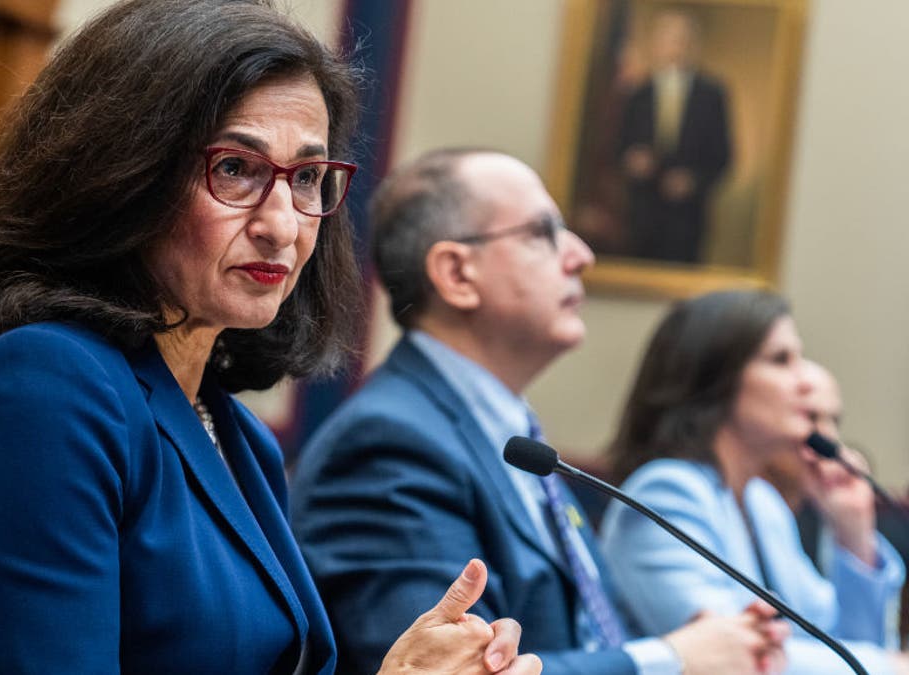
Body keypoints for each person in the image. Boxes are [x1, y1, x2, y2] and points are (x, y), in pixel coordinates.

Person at [0, 2, 540, 674]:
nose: (282, 224)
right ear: (122, 175)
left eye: (305, 178)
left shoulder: (240, 437)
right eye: (235, 168)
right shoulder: (42, 389)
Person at [290, 149, 786, 675]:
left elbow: (589, 630)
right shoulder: (388, 444)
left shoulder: (512, 437)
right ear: (458, 273)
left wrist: (722, 637)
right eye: (542, 232)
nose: (581, 255)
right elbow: (459, 670)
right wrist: (670, 659)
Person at [600, 289, 909, 674]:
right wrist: (894, 667)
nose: (807, 381)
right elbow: (743, 657)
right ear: (716, 378)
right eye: (781, 360)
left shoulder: (762, 502)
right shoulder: (666, 492)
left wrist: (853, 533)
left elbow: (841, 643)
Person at [618, 9, 732, 264]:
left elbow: (724, 157)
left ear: (693, 44)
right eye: (668, 38)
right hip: (642, 215)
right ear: (655, 43)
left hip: (687, 220)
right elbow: (617, 148)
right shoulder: (637, 95)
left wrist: (693, 181)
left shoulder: (712, 95)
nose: (675, 46)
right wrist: (633, 161)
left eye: (682, 38)